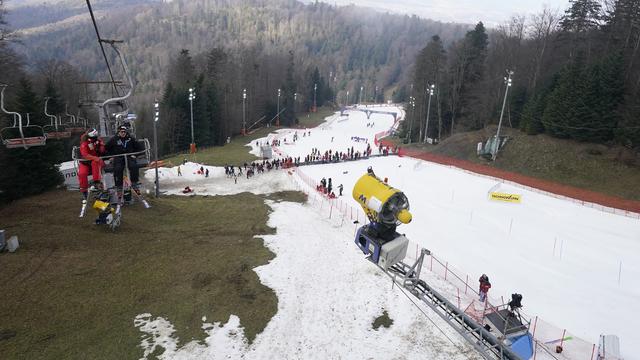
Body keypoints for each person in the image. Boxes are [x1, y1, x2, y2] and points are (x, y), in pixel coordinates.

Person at [106, 125, 141, 191]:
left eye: (124, 132)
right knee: (118, 168)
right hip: (118, 157)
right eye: (121, 132)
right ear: (119, 132)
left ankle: (134, 182)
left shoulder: (130, 138)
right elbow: (106, 148)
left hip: (129, 155)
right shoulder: (114, 139)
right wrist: (110, 156)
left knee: (133, 166)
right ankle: (119, 185)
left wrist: (135, 155)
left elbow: (139, 147)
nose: (123, 133)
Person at [78, 128, 106, 199]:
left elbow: (102, 151)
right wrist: (95, 158)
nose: (96, 138)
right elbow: (85, 154)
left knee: (95, 163)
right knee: (82, 174)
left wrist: (102, 146)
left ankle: (97, 183)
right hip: (85, 162)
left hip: (94, 161)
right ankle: (84, 191)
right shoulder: (84, 142)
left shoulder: (97, 140)